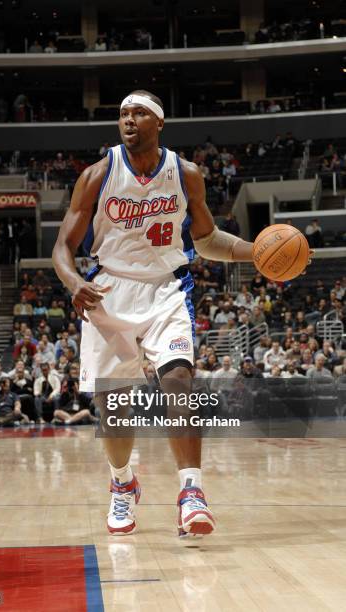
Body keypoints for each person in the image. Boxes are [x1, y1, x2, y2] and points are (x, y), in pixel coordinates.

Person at [51, 89, 259, 538]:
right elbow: (63, 247)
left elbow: (206, 240)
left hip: (167, 288)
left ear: (159, 122)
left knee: (179, 381)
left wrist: (254, 252)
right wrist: (74, 283)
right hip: (108, 293)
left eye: (139, 113)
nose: (129, 119)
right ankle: (123, 483)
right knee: (116, 411)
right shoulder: (97, 175)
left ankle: (191, 493)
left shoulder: (185, 175)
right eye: (124, 113)